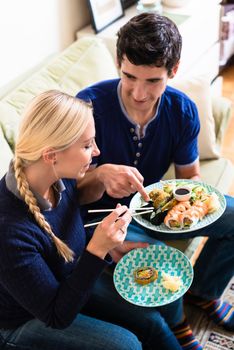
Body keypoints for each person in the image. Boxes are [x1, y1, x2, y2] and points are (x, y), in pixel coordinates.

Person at [76, 11, 234, 340]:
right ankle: (177, 323)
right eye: (129, 76)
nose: (138, 93)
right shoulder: (87, 107)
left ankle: (203, 292)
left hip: (150, 205)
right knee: (160, 260)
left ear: (173, 71)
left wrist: (188, 205)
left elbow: (188, 179)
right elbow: (66, 194)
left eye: (153, 81)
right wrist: (101, 174)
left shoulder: (182, 111)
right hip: (98, 218)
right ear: (119, 62)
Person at [0, 90, 197, 350]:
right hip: (22, 320)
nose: (97, 151)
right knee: (126, 345)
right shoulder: (9, 231)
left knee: (151, 323)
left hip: (66, 281)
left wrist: (107, 241)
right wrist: (98, 249)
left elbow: (66, 230)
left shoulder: (58, 177)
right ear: (51, 155)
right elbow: (56, 316)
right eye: (86, 145)